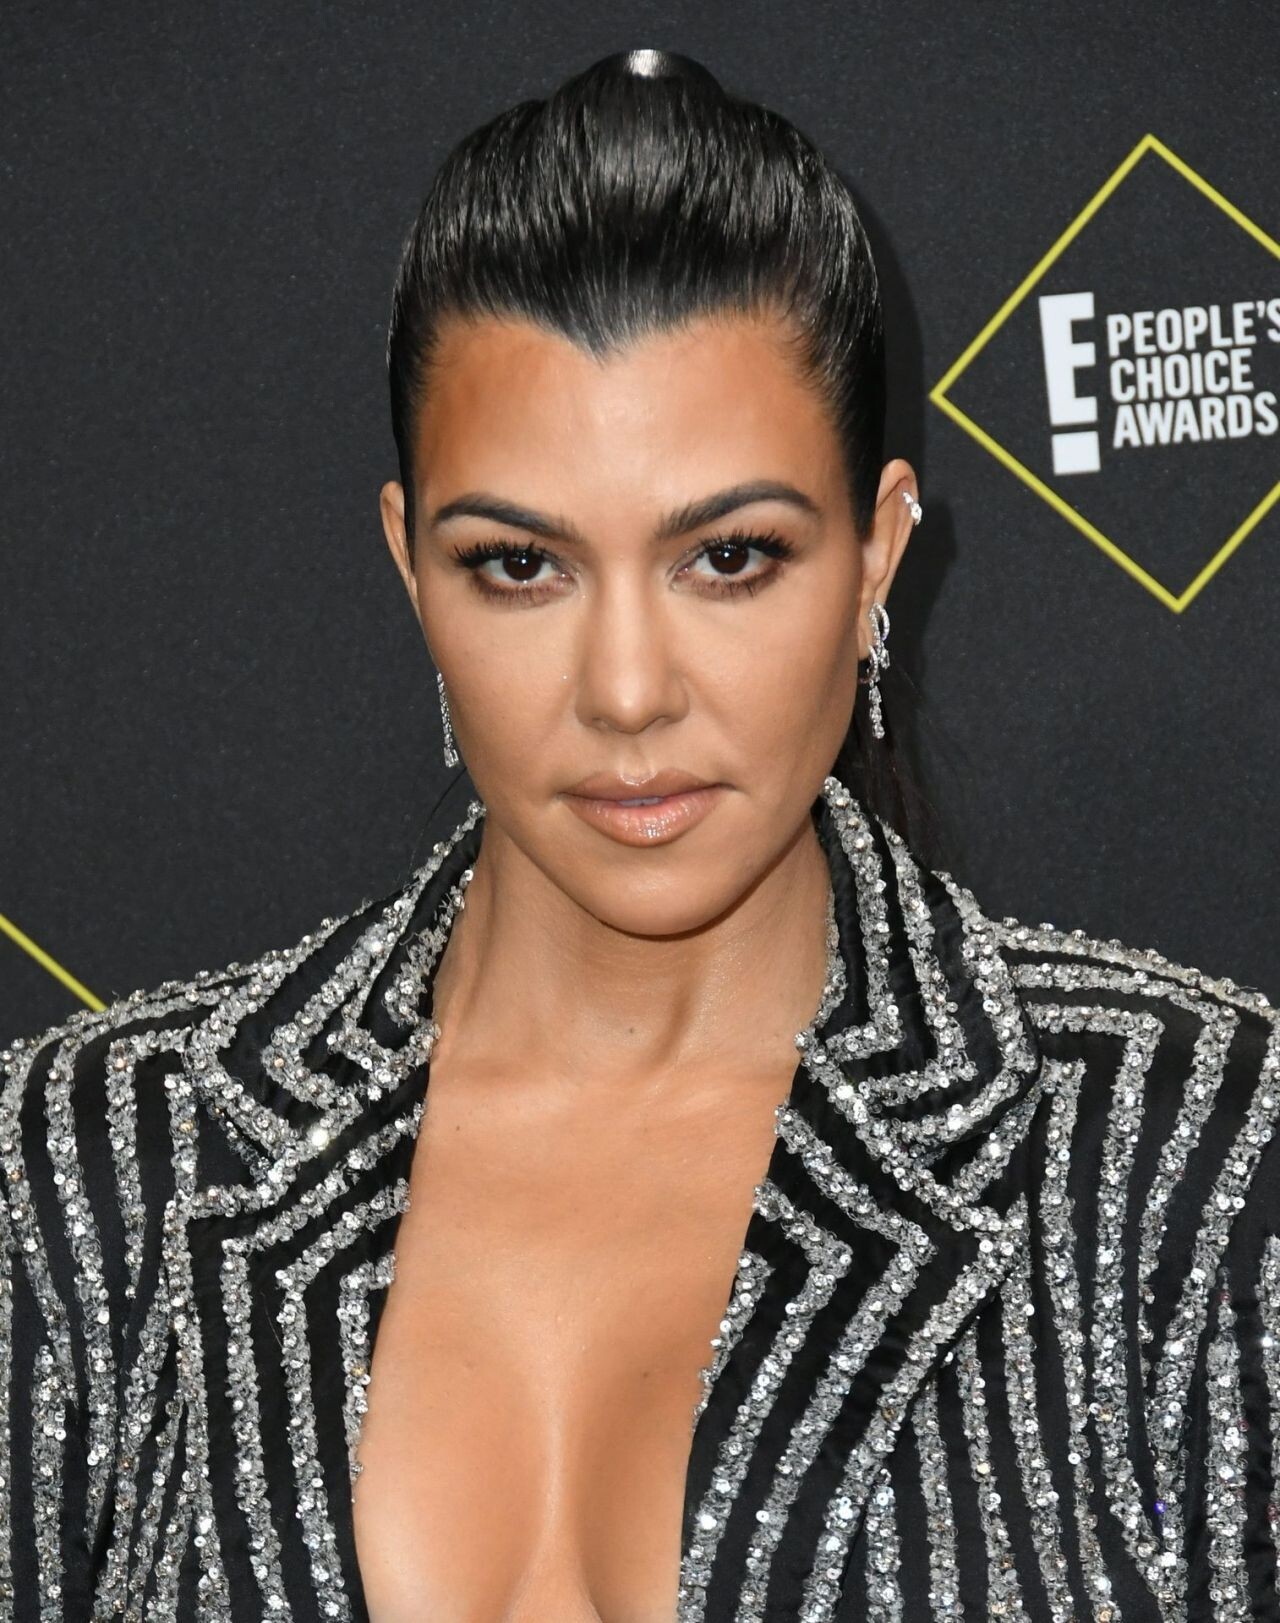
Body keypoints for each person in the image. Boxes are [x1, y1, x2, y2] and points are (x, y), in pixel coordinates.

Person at [3, 45, 1278, 1623]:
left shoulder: (1179, 1147)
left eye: (729, 557)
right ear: (411, 568)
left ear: (878, 554)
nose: (625, 691)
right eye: (519, 565)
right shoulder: (94, 1165)